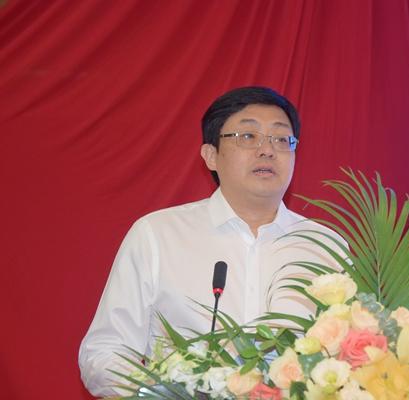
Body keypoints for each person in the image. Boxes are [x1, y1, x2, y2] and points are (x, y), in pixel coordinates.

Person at [78, 87, 343, 397]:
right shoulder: (158, 234)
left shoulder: (325, 246)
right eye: (248, 136)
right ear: (211, 155)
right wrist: (158, 393)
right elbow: (105, 350)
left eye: (282, 139)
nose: (267, 150)